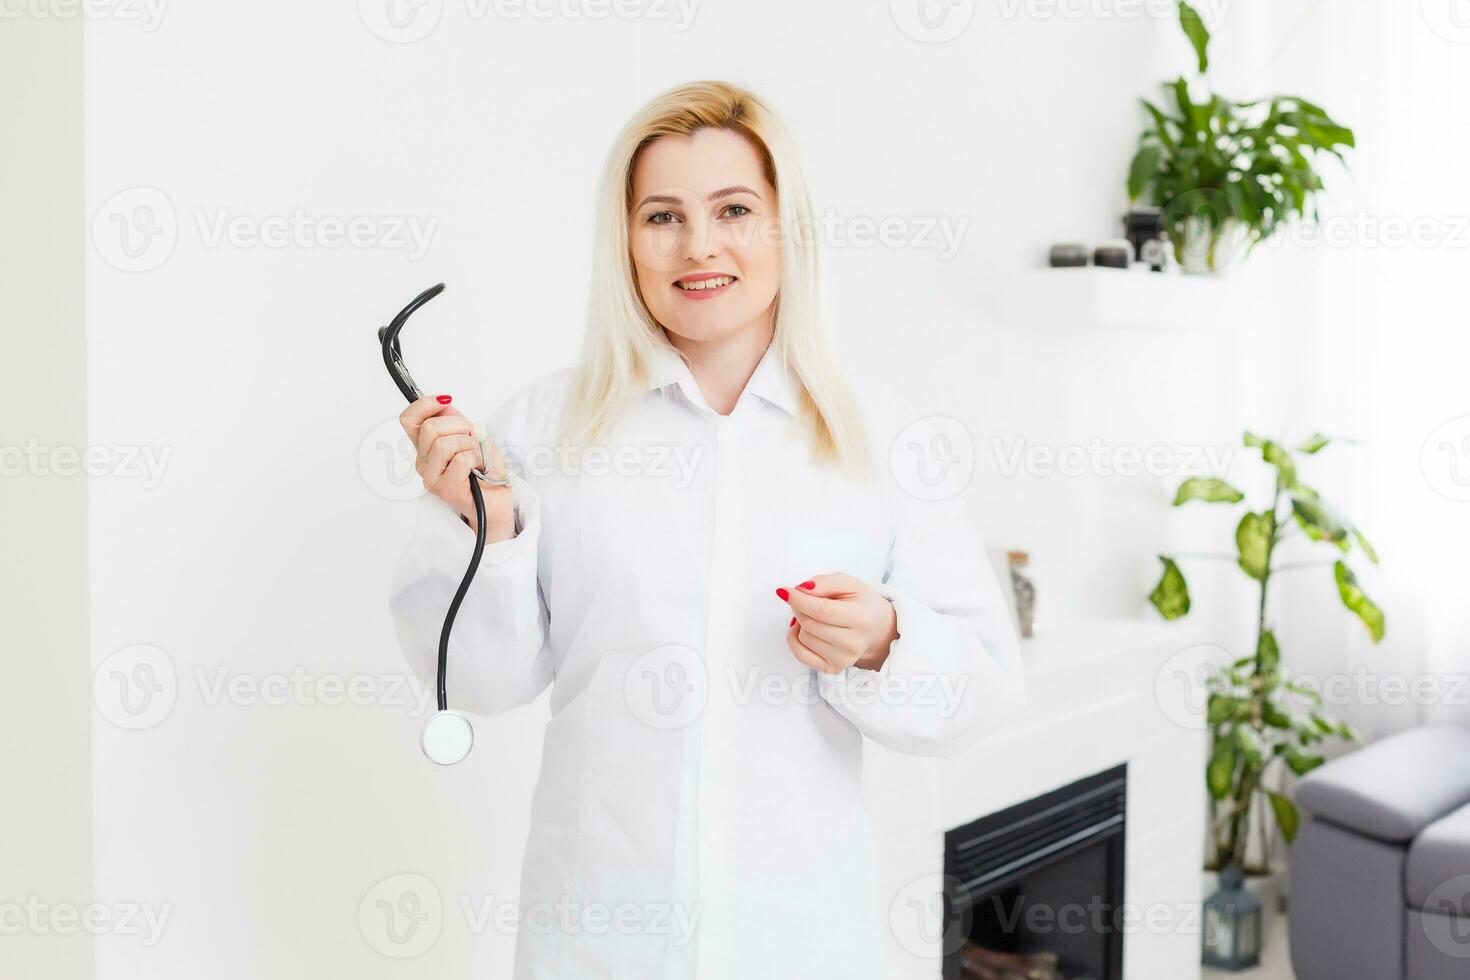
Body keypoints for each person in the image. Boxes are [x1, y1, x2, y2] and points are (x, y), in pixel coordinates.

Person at [388, 79, 1025, 980]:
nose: (699, 246)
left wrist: (887, 641)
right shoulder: (539, 429)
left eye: (734, 209)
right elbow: (483, 684)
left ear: (784, 228)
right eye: (662, 216)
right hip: (598, 931)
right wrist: (488, 531)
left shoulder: (884, 437)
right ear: (627, 240)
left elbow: (984, 693)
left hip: (799, 933)